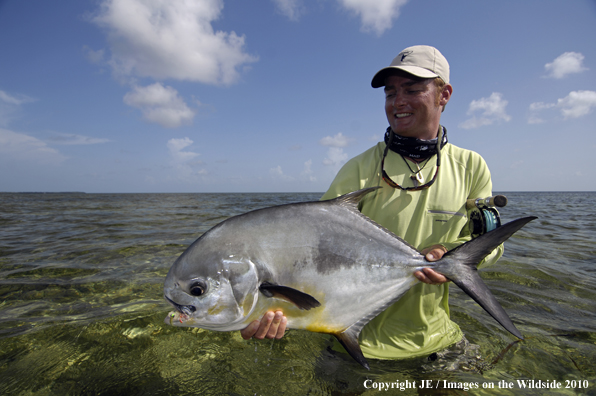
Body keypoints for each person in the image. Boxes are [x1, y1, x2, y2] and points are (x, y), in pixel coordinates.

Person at [240, 45, 503, 361]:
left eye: (412, 89)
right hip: (352, 342)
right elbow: (310, 249)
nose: (398, 102)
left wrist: (449, 257)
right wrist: (263, 306)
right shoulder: (358, 168)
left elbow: (489, 247)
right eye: (390, 93)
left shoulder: (472, 166)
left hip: (438, 339)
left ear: (443, 95)